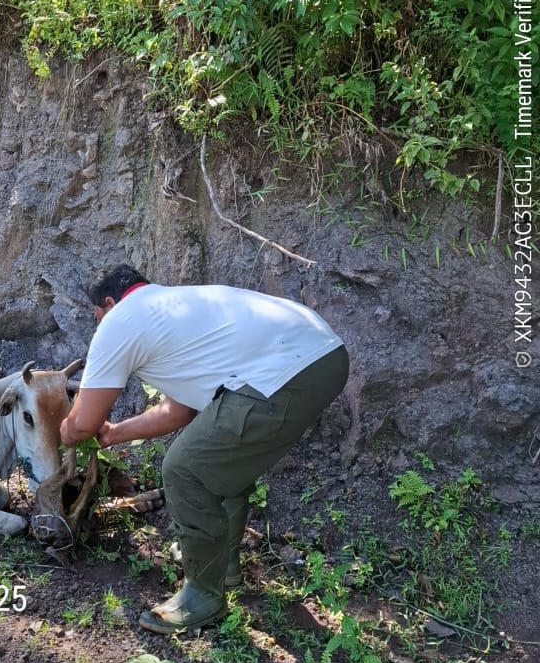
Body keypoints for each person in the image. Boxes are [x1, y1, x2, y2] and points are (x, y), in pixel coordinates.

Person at [60, 264, 349, 635]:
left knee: (185, 470)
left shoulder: (122, 320)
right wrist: (115, 433)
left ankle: (203, 595)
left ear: (110, 303)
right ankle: (222, 566)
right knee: (219, 466)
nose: (98, 328)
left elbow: (81, 423)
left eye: (97, 318)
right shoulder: (169, 310)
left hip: (292, 366)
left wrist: (61, 432)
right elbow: (177, 410)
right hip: (321, 353)